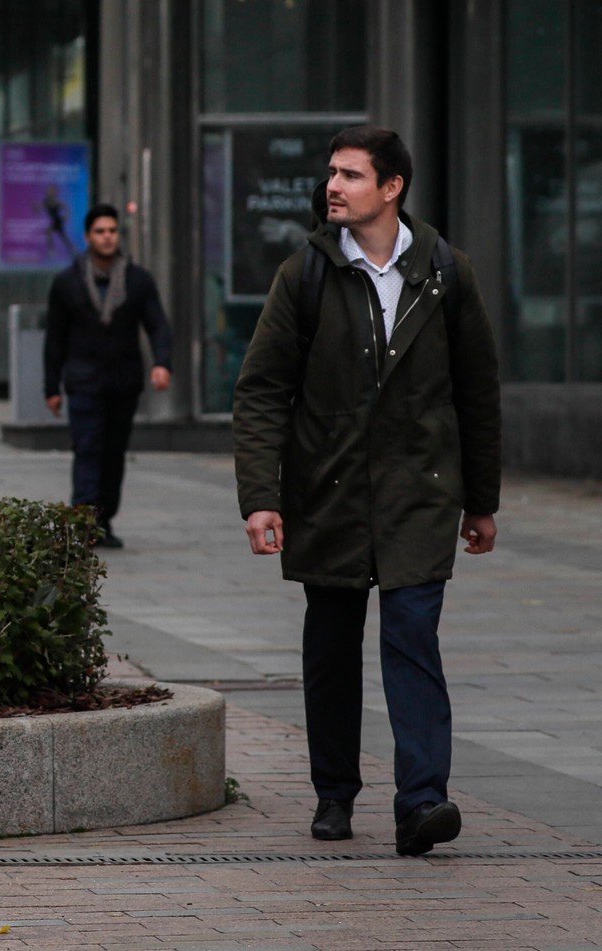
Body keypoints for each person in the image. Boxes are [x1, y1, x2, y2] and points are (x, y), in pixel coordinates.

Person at [233, 125, 501, 857]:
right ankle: (334, 790)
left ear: (392, 187)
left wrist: (481, 500)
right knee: (331, 643)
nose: (334, 186)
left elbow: (477, 394)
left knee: (411, 636)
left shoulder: (447, 272)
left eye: (351, 174)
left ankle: (422, 800)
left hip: (420, 491)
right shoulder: (306, 274)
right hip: (330, 487)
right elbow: (262, 392)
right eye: (332, 174)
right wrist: (262, 496)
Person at [42, 203, 173, 549]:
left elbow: (157, 325)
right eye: (100, 232)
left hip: (123, 382)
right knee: (87, 449)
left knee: (113, 453)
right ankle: (82, 523)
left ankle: (104, 521)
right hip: (83, 381)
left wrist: (162, 363)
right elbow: (55, 338)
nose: (107, 237)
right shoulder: (67, 283)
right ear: (88, 237)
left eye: (112, 231)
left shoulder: (137, 280)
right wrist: (50, 387)